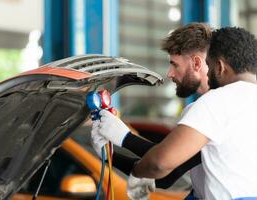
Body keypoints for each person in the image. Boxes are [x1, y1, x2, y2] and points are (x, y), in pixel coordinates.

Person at [94, 27, 257, 199]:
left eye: (174, 64)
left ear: (213, 65)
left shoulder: (215, 103)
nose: (169, 73)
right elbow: (172, 171)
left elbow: (162, 163)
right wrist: (110, 155)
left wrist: (125, 140)